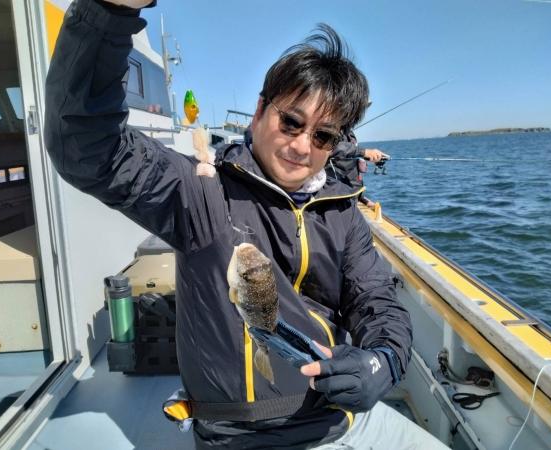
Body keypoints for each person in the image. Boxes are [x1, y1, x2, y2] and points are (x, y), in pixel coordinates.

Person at [44, 1, 446, 449]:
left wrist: (383, 361)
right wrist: (110, 11)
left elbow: (376, 299)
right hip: (245, 436)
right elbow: (86, 146)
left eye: (322, 136)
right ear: (259, 111)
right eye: (291, 122)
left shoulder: (342, 211)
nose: (301, 146)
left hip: (342, 419)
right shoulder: (201, 190)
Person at [326, 132, 389, 206]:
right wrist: (364, 152)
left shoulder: (349, 133)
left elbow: (351, 154)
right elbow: (334, 147)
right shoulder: (332, 130)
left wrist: (372, 157)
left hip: (350, 196)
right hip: (333, 196)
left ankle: (358, 197)